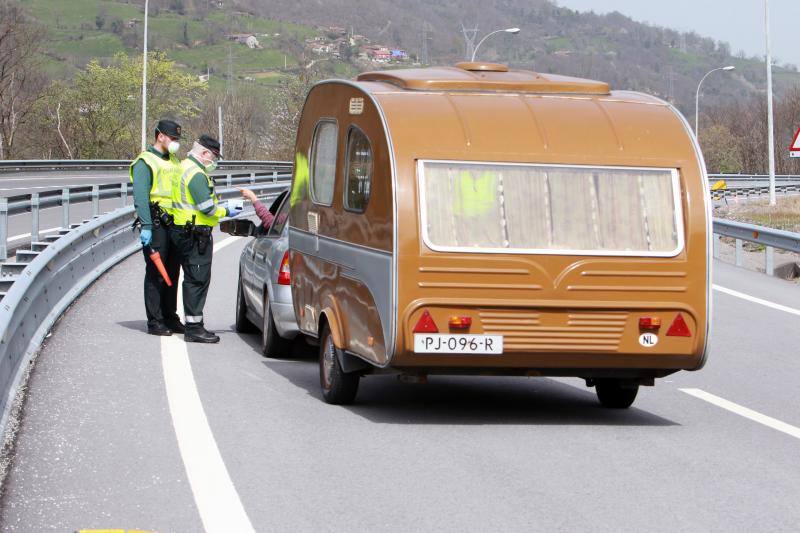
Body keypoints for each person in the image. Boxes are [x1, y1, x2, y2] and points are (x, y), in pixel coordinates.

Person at [170, 135, 242, 343]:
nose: (215, 162)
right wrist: (226, 210)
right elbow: (207, 208)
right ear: (204, 153)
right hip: (195, 234)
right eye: (214, 156)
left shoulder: (183, 167)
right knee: (197, 280)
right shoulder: (196, 174)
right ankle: (194, 327)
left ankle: (191, 324)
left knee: (192, 279)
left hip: (182, 229)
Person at [131, 119, 184, 336]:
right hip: (155, 223)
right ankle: (155, 321)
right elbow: (141, 196)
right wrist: (146, 225)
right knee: (156, 273)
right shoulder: (145, 161)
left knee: (172, 271)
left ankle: (170, 317)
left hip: (174, 222)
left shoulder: (174, 160)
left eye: (177, 139)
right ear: (160, 136)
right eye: (172, 138)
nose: (175, 142)